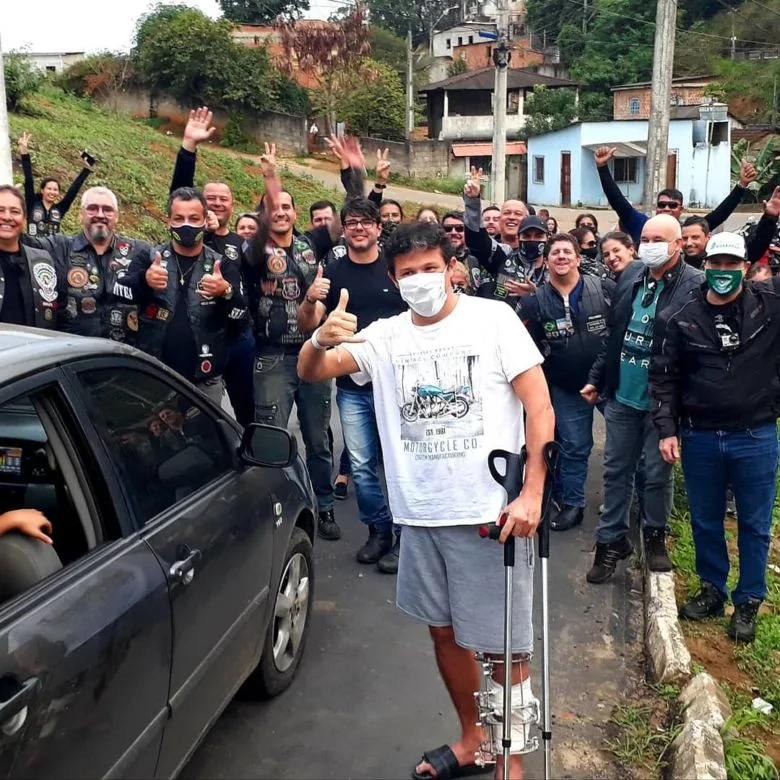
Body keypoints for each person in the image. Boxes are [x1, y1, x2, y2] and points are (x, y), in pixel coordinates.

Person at [297, 221, 555, 780]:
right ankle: (474, 739)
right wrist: (320, 338)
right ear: (393, 279)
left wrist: (533, 491)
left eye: (430, 268)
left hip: (492, 514)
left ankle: (511, 762)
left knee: (505, 647)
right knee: (444, 632)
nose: (420, 280)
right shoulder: (385, 336)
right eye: (408, 273)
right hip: (418, 512)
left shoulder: (494, 320)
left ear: (451, 267)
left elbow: (539, 405)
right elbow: (312, 371)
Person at [650, 230, 780, 642]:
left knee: (755, 524)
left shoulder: (771, 308)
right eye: (716, 263)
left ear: (746, 267)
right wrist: (667, 430)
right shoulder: (679, 316)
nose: (723, 271)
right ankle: (712, 588)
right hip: (701, 437)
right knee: (706, 518)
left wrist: (770, 219)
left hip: (755, 434)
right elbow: (664, 377)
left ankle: (748, 600)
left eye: (731, 264)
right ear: (704, 265)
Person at [581, 214, 704, 583]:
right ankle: (610, 541)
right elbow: (615, 335)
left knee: (656, 474)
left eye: (659, 239)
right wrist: (596, 378)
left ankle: (654, 536)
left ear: (678, 244)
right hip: (622, 395)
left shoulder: (694, 285)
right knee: (616, 471)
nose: (649, 244)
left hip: (662, 402)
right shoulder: (632, 275)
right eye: (645, 237)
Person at [298, 197, 406, 570]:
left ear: (378, 227)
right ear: (343, 229)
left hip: (398, 386)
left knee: (400, 463)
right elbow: (308, 325)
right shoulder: (333, 272)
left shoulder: (395, 268)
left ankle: (406, 538)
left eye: (366, 222)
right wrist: (311, 301)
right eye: (352, 223)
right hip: (352, 386)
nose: (359, 228)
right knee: (361, 465)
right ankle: (379, 531)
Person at [246, 147, 343, 539]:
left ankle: (325, 506)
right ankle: (277, 507)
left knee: (318, 439)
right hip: (272, 358)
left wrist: (351, 170)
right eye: (274, 207)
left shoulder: (310, 243)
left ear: (295, 212)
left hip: (314, 355)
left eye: (287, 206)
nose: (281, 211)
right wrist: (272, 178)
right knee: (272, 437)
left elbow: (345, 219)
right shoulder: (254, 250)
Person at [516, 233, 614, 531]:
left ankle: (630, 504)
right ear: (546, 261)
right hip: (567, 387)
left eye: (566, 252)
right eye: (555, 252)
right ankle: (573, 504)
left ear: (578, 258)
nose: (561, 256)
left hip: (610, 383)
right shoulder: (533, 302)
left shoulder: (605, 288)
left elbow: (620, 331)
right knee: (574, 447)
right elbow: (525, 350)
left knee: (625, 446)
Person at [168, 107, 256, 426]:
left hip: (239, 335)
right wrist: (189, 148)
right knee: (202, 416)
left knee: (247, 407)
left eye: (224, 199)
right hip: (203, 333)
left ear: (233, 204)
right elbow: (178, 193)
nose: (218, 203)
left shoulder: (242, 240)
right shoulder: (191, 235)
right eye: (211, 199)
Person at [125, 187, 246, 406]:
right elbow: (120, 293)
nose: (187, 225)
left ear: (204, 220)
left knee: (205, 439)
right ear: (168, 221)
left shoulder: (221, 264)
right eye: (179, 218)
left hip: (205, 379)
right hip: (154, 375)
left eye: (193, 218)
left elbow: (242, 316)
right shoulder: (150, 257)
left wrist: (225, 292)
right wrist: (144, 281)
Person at [24, 186, 147, 342]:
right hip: (75, 355)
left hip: (124, 356)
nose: (100, 215)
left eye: (107, 210)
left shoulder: (138, 251)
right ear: (80, 214)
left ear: (116, 216)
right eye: (92, 209)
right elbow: (20, 243)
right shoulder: (59, 247)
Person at [593, 147, 757, 245]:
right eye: (662, 205)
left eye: (672, 205)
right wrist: (602, 168)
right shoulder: (642, 224)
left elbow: (719, 215)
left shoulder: (689, 231)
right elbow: (618, 202)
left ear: (681, 209)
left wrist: (741, 185)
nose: (666, 209)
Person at [0, 185, 64, 328]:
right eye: (0, 210)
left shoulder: (42, 261)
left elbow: (60, 311)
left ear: (24, 218)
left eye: (15, 211)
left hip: (35, 347)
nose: (7, 217)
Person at [17, 132, 93, 237]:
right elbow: (29, 180)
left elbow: (73, 191)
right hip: (32, 250)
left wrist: (85, 171)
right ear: (42, 190)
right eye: (49, 189)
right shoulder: (32, 203)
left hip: (53, 252)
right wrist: (24, 153)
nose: (52, 192)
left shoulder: (60, 209)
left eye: (55, 190)